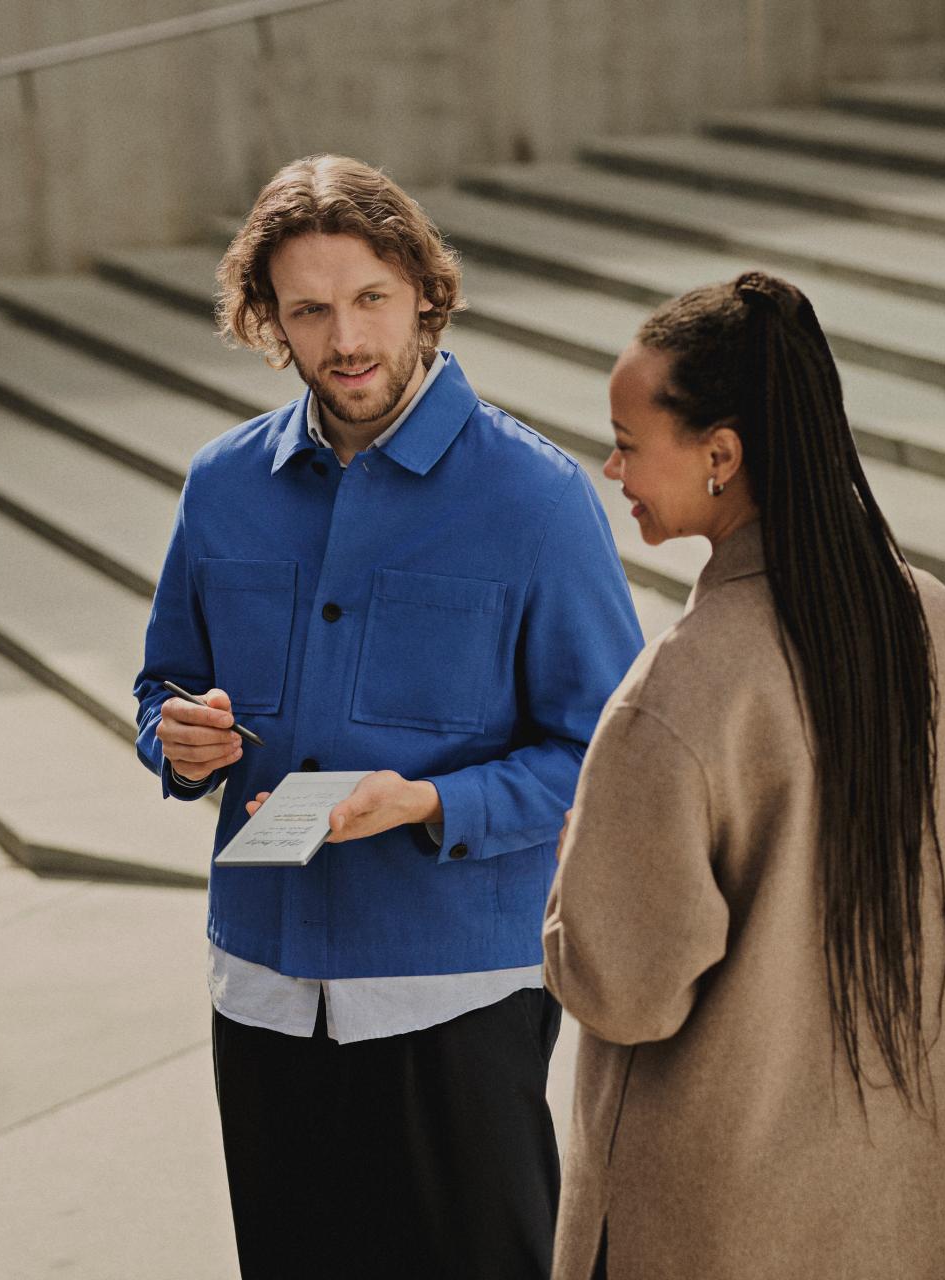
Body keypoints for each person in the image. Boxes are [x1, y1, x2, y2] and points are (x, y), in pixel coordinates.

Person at [132, 154, 643, 1278]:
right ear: (269, 319)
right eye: (309, 310)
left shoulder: (535, 498)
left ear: (423, 291)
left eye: (370, 298)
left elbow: (608, 756)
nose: (346, 338)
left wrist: (429, 801)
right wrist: (176, 738)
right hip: (263, 985)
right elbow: (163, 683)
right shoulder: (222, 485)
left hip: (450, 991)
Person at [543, 270, 945, 1280]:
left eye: (629, 441)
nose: (612, 466)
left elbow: (624, 989)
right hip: (907, 1198)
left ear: (721, 455)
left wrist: (573, 884)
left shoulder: (681, 691)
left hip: (711, 1222)